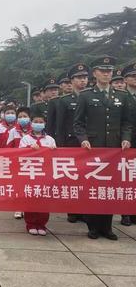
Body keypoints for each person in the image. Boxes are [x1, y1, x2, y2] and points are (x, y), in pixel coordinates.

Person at [74, 56, 132, 240]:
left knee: (111, 188)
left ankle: (107, 227)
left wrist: (126, 138)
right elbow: (78, 123)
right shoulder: (86, 96)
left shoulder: (122, 96)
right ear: (95, 73)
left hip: (115, 149)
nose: (106, 74)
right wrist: (83, 139)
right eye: (102, 70)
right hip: (93, 149)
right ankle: (93, 226)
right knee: (93, 187)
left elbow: (127, 123)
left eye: (109, 71)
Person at [55, 63, 89, 223]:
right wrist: (60, 147)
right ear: (72, 80)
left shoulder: (92, 97)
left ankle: (86, 209)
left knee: (89, 177)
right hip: (71, 143)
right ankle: (73, 210)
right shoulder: (64, 101)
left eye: (85, 78)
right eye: (79, 78)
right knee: (72, 178)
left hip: (90, 143)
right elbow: (60, 126)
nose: (82, 81)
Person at [19, 114, 56, 235]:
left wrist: (54, 150)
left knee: (44, 198)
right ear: (31, 123)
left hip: (45, 173)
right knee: (31, 197)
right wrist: (30, 148)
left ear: (44, 124)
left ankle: (41, 224)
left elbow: (56, 156)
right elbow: (19, 153)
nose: (38, 124)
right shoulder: (25, 139)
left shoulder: (50, 139)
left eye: (41, 122)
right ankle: (31, 224)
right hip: (30, 173)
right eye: (36, 121)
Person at [7, 106, 32, 220]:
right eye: (20, 117)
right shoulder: (13, 131)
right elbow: (9, 147)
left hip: (32, 163)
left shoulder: (36, 130)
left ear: (29, 118)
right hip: (17, 162)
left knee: (30, 186)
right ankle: (18, 208)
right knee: (18, 186)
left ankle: (29, 208)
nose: (22, 118)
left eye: (25, 116)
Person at [120, 62, 136, 226]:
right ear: (125, 79)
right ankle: (125, 212)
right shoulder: (121, 96)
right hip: (125, 142)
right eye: (133, 76)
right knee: (125, 178)